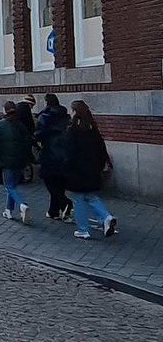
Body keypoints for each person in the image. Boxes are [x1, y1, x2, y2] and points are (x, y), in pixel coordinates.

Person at [65, 100, 116, 239]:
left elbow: (69, 153)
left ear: (75, 112)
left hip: (77, 171)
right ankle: (106, 217)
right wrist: (98, 166)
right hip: (92, 169)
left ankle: (83, 229)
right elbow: (101, 149)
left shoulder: (73, 130)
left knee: (78, 199)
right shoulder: (93, 129)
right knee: (91, 197)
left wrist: (67, 167)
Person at [0, 100, 33, 223]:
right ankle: (8, 210)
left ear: (4, 111)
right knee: (12, 186)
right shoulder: (20, 125)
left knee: (9, 186)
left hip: (7, 161)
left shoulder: (0, 126)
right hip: (20, 160)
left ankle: (22, 204)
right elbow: (27, 143)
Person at [34, 92, 72, 221]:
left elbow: (39, 134)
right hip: (65, 153)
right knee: (59, 183)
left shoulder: (45, 116)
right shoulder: (66, 116)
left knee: (50, 182)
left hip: (50, 152)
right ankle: (53, 211)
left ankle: (66, 204)